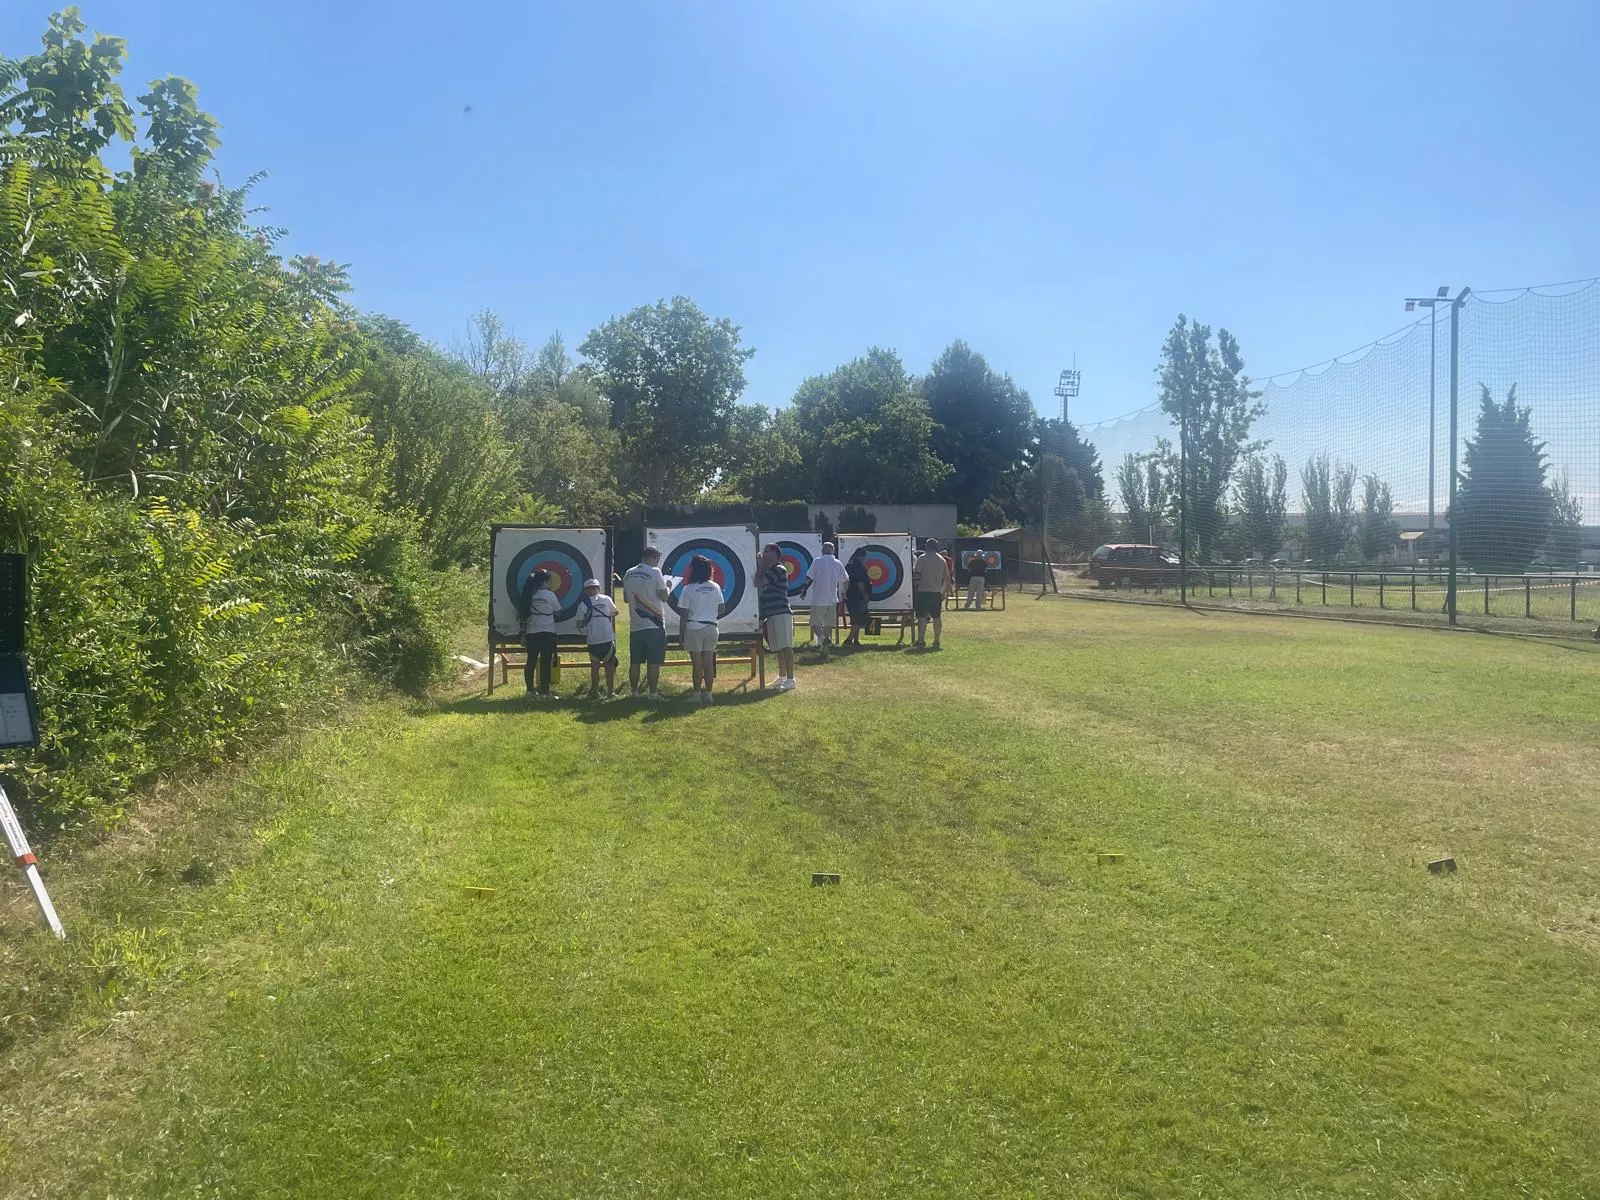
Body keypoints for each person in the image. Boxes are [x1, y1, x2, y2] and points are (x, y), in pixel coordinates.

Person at [671, 554, 725, 705]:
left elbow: (684, 613)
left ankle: (696, 695)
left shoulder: (689, 588)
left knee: (697, 663)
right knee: (708, 662)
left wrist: (681, 633)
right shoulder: (715, 587)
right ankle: (709, 694)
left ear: (693, 569)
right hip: (711, 627)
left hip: (694, 626)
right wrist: (710, 614)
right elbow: (722, 608)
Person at [622, 548, 671, 700]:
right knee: (654, 661)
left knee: (635, 661)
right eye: (658, 557)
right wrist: (669, 586)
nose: (658, 561)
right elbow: (663, 597)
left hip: (636, 625)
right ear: (654, 557)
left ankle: (634, 693)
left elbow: (625, 598)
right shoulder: (655, 572)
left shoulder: (628, 572)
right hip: (654, 624)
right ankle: (653, 694)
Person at [801, 541, 849, 658]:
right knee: (829, 624)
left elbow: (809, 577)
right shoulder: (837, 563)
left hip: (818, 599)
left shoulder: (817, 561)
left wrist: (804, 590)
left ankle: (823, 641)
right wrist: (843, 592)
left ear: (822, 550)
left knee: (814, 623)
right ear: (833, 551)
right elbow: (846, 579)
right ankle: (825, 645)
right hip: (832, 599)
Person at [758, 543, 797, 691]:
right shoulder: (770, 570)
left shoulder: (778, 569)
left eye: (766, 551)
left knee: (786, 646)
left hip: (781, 612)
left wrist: (761, 567)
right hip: (772, 613)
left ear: (774, 552)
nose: (764, 554)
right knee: (778, 648)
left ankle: (790, 679)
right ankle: (782, 677)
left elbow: (758, 582)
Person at [520, 568, 561, 697]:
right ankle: (545, 692)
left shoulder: (528, 594)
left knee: (531, 661)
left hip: (532, 633)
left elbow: (523, 615)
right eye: (549, 581)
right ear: (545, 582)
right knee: (545, 662)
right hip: (547, 632)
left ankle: (530, 691)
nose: (550, 584)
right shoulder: (550, 595)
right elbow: (558, 612)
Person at [576, 578, 619, 699]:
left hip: (593, 640)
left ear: (585, 591)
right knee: (609, 667)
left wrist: (589, 619)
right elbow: (615, 612)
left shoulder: (583, 604)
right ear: (599, 588)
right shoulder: (606, 599)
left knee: (595, 667)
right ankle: (610, 692)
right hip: (607, 638)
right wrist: (604, 616)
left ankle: (595, 692)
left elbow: (579, 624)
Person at [912, 537, 951, 650]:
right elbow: (947, 579)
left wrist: (915, 588)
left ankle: (920, 640)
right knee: (936, 617)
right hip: (936, 592)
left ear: (926, 546)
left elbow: (916, 576)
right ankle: (936, 640)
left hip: (923, 591)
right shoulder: (942, 559)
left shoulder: (922, 558)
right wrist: (943, 593)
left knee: (922, 617)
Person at [843, 546, 872, 647]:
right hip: (857, 597)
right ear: (861, 556)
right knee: (857, 620)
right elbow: (860, 583)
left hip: (850, 596)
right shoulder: (858, 566)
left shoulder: (849, 564)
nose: (865, 558)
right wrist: (865, 595)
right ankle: (848, 640)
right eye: (864, 556)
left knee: (855, 619)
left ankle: (855, 641)